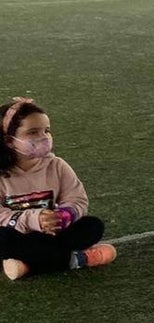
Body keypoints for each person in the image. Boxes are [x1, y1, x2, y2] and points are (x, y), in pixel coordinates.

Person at [0, 98, 116, 280]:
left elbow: (77, 199)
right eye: (33, 132)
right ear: (9, 140)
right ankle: (76, 259)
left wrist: (63, 216)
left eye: (46, 131)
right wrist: (34, 219)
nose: (43, 137)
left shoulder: (57, 165)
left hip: (51, 233)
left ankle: (27, 264)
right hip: (16, 233)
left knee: (92, 226)